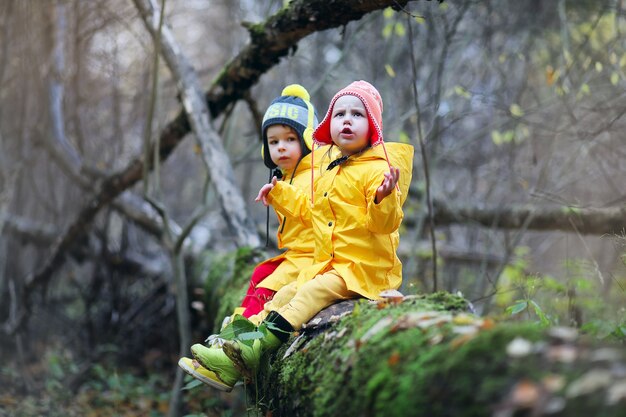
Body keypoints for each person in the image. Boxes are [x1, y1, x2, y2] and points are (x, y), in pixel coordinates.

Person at [190, 80, 413, 387]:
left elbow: (384, 225)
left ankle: (254, 353)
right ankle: (233, 360)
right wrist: (280, 193)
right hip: (330, 264)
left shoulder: (379, 171)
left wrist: (383, 197)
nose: (347, 120)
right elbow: (312, 212)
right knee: (284, 294)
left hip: (362, 270)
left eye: (357, 115)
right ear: (328, 124)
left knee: (308, 294)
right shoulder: (331, 169)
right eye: (340, 114)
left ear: (372, 126)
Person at [178, 84, 321, 391]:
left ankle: (237, 356)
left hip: (315, 258)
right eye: (273, 141)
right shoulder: (286, 175)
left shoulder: (317, 174)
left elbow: (316, 216)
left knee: (273, 291)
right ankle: (227, 345)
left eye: (290, 139)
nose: (281, 147)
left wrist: (281, 194)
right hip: (297, 254)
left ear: (309, 139)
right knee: (260, 273)